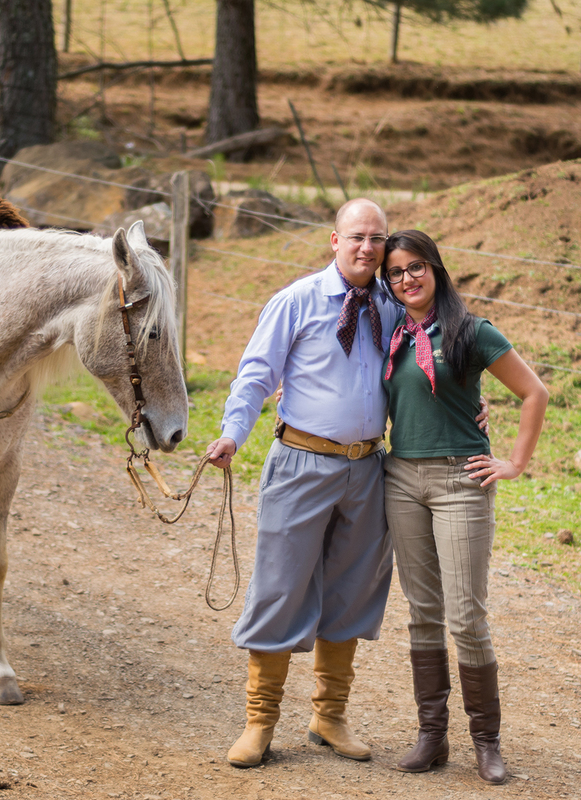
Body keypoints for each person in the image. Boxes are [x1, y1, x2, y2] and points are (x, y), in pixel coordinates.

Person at [205, 198, 401, 769]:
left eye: (378, 238)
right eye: (357, 236)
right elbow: (256, 374)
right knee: (280, 587)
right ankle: (260, 722)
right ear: (333, 240)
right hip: (301, 463)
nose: (368, 247)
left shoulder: (392, 307)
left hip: (368, 468)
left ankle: (329, 715)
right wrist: (232, 434)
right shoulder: (298, 300)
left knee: (353, 587)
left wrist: (473, 408)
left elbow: (424, 368)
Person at [380, 230, 548, 785]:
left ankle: (486, 742)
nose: (408, 278)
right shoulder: (386, 331)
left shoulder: (470, 331)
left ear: (436, 269)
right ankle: (432, 738)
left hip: (460, 480)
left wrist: (514, 463)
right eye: (396, 272)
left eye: (417, 267)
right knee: (421, 612)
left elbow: (534, 392)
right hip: (401, 478)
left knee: (466, 617)